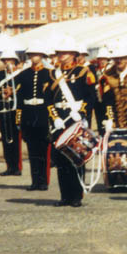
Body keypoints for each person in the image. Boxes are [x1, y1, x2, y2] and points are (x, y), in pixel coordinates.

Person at [46, 37, 96, 207]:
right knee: (61, 160)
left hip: (75, 119)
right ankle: (65, 196)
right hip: (60, 120)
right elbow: (48, 101)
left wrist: (82, 113)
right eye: (59, 53)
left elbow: (91, 98)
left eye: (65, 53)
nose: (61, 56)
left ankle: (76, 195)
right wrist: (55, 118)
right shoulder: (53, 74)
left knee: (76, 157)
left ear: (73, 54)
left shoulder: (83, 72)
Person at [15, 44, 53, 191]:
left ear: (42, 56)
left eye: (36, 54)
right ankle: (35, 181)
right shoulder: (24, 74)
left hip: (43, 114)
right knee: (32, 151)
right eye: (31, 55)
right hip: (28, 115)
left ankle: (43, 181)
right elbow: (18, 97)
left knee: (43, 150)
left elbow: (51, 97)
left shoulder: (49, 73)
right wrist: (19, 119)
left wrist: (51, 119)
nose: (34, 57)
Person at [0, 49, 23, 176]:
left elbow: (24, 91)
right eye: (5, 60)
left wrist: (13, 92)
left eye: (10, 60)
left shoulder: (20, 75)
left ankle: (17, 167)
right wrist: (2, 93)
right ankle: (10, 166)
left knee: (16, 137)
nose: (8, 62)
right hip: (3, 109)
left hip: (17, 110)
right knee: (6, 139)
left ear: (15, 61)